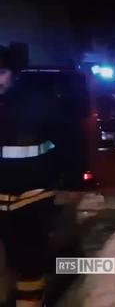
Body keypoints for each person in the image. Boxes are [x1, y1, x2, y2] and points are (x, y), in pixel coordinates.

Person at [0, 44, 60, 307]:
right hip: (4, 196)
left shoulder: (34, 102)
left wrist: (61, 181)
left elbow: (60, 143)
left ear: (13, 73)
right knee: (14, 260)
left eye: (0, 72)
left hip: (32, 194)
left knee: (29, 262)